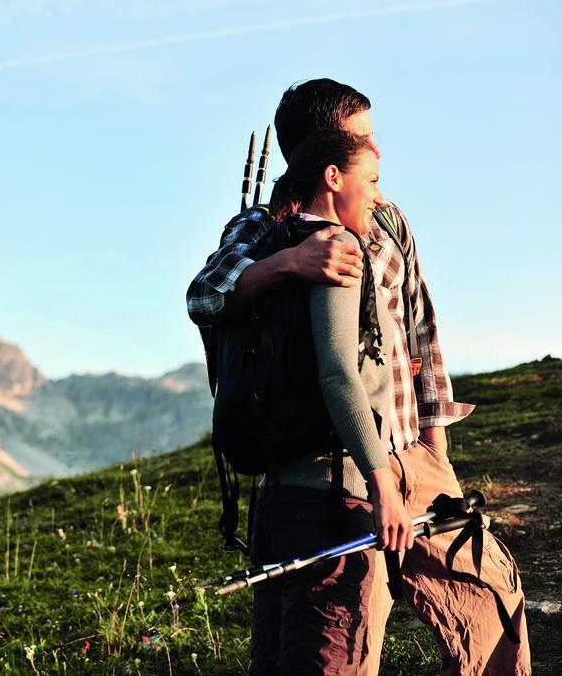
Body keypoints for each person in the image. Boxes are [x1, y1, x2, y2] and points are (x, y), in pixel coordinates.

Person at [187, 79, 529, 674]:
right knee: (335, 646)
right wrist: (289, 262)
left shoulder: (390, 220)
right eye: (365, 140)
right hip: (328, 473)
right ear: (327, 163)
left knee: (492, 607)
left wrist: (435, 455)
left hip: (413, 461)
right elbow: (203, 297)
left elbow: (423, 331)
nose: (380, 153)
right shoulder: (262, 229)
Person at [245, 128, 413, 674]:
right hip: (332, 504)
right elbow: (339, 375)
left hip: (277, 498)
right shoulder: (338, 249)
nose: (380, 197)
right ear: (332, 178)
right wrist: (384, 482)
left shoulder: (274, 248)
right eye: (372, 181)